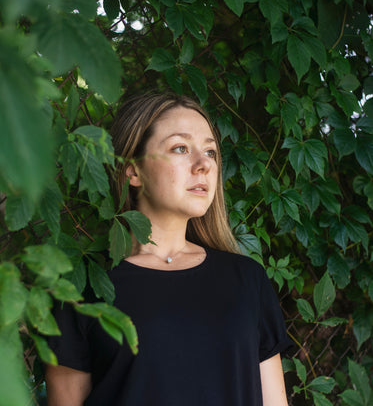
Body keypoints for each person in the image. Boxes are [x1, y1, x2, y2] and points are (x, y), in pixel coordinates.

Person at [45, 92, 293, 406]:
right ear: (132, 170)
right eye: (180, 148)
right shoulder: (84, 285)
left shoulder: (248, 281)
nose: (203, 165)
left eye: (211, 152)